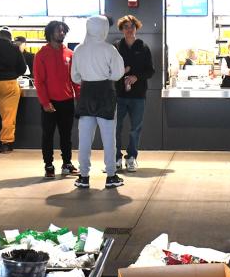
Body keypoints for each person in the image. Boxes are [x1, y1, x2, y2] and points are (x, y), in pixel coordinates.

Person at [71, 16, 125, 189]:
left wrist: (88, 79)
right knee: (109, 138)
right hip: (105, 93)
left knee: (84, 138)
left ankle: (83, 176)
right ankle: (111, 176)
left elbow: (74, 76)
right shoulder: (109, 49)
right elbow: (118, 73)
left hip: (86, 94)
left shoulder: (79, 49)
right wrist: (104, 77)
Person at [34, 21, 80, 179]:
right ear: (50, 33)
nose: (62, 33)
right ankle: (48, 165)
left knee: (66, 135)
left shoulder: (70, 54)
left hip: (67, 101)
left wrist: (79, 98)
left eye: (63, 31)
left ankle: (67, 164)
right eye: (58, 31)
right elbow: (39, 81)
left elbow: (75, 79)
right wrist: (45, 102)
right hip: (50, 102)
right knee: (47, 135)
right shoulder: (41, 54)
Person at [114, 15, 154, 172]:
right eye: (126, 27)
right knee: (115, 127)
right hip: (119, 94)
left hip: (138, 95)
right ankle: (116, 157)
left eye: (132, 26)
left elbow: (150, 71)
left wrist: (136, 77)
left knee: (135, 128)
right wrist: (122, 72)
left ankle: (131, 157)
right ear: (122, 29)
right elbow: (109, 69)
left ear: (136, 28)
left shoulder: (143, 47)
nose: (129, 29)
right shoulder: (116, 47)